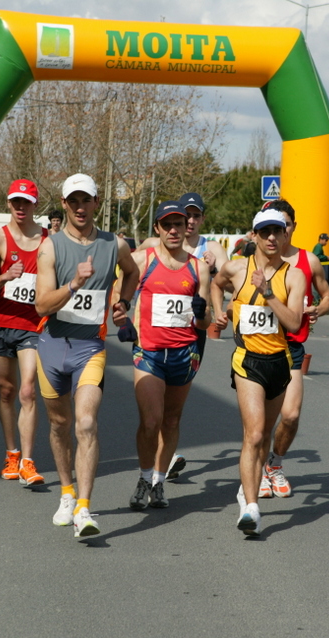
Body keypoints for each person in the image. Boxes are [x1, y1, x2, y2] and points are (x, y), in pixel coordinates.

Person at [35, 173, 138, 537]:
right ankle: (67, 492)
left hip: (90, 348)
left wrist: (123, 302)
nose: (80, 208)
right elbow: (41, 305)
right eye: (74, 201)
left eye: (87, 200)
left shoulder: (114, 244)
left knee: (87, 423)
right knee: (59, 424)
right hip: (51, 346)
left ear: (97, 203)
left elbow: (133, 272)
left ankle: (84, 507)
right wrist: (74, 284)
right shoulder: (50, 248)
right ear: (64, 204)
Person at [211, 208, 305, 537]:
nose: (271, 238)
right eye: (265, 232)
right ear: (254, 235)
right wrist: (218, 311)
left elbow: (294, 323)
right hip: (246, 360)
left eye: (277, 231)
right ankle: (251, 506)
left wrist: (267, 293)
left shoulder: (294, 275)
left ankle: (249, 482)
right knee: (253, 434)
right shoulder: (237, 268)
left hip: (279, 361)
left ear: (285, 234)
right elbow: (216, 284)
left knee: (265, 435)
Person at [126, 201, 211, 510]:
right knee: (151, 421)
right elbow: (118, 293)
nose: (174, 230)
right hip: (148, 352)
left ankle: (159, 481)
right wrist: (122, 318)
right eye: (167, 225)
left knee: (171, 420)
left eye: (179, 224)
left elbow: (205, 321)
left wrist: (202, 314)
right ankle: (143, 478)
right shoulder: (142, 260)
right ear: (157, 228)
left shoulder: (199, 267)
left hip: (184, 353)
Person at [257, 199, 329, 499]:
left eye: (285, 225)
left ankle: (274, 464)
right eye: (273, 226)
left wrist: (318, 310)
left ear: (292, 227)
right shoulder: (255, 260)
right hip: (259, 347)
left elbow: (327, 296)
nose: (280, 231)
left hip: (291, 347)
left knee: (290, 415)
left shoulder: (308, 261)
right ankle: (256, 470)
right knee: (261, 421)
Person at [0, 179, 49, 492]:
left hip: (34, 326)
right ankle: (12, 454)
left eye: (26, 202)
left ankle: (28, 462)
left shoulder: (48, 240)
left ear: (35, 205)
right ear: (9, 203)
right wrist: (5, 276)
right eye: (16, 202)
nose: (20, 207)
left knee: (28, 391)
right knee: (7, 390)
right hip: (2, 322)